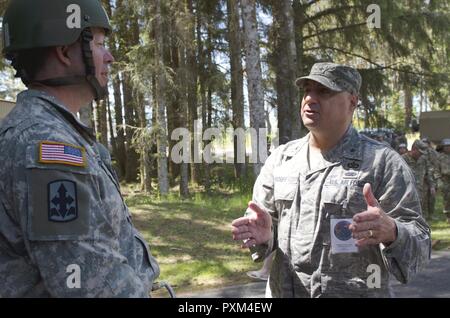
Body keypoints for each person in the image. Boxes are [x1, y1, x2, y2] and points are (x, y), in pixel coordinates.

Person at [0, 0, 159, 297]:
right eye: (99, 44)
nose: (109, 57)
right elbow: (91, 285)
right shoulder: (45, 145)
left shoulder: (55, 133)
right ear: (64, 52)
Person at [231, 62, 430, 298]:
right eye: (307, 90)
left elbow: (420, 246)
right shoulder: (281, 160)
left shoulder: (382, 163)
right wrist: (265, 236)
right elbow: (263, 229)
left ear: (353, 101)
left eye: (324, 91)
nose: (310, 99)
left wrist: (393, 231)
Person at [402, 140, 435, 221]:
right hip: (406, 192)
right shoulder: (402, 159)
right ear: (414, 149)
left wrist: (432, 186)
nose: (421, 155)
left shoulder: (423, 159)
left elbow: (428, 172)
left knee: (420, 210)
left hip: (420, 190)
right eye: (420, 152)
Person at [421, 138, 438, 220]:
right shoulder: (420, 152)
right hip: (423, 177)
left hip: (433, 176)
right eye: (422, 142)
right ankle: (424, 214)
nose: (424, 144)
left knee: (432, 196)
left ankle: (431, 214)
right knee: (423, 196)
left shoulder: (433, 153)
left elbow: (436, 163)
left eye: (425, 142)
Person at [436, 139, 450, 224]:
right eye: (446, 146)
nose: (448, 148)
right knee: (447, 198)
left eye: (449, 146)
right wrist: (438, 180)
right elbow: (436, 169)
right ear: (443, 147)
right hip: (445, 180)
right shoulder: (440, 157)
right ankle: (448, 215)